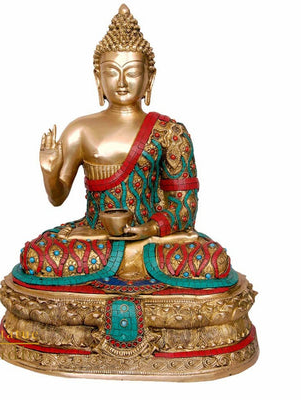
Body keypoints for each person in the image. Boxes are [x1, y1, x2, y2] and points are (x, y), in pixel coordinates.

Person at [15, 4, 237, 291]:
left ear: (149, 78)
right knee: (37, 255)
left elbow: (185, 208)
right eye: (111, 72)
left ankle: (131, 260)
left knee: (213, 260)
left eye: (131, 72)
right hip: (96, 237)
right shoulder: (79, 130)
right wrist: (49, 172)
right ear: (98, 78)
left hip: (153, 240)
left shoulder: (170, 132)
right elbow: (57, 198)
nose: (121, 82)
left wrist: (149, 228)